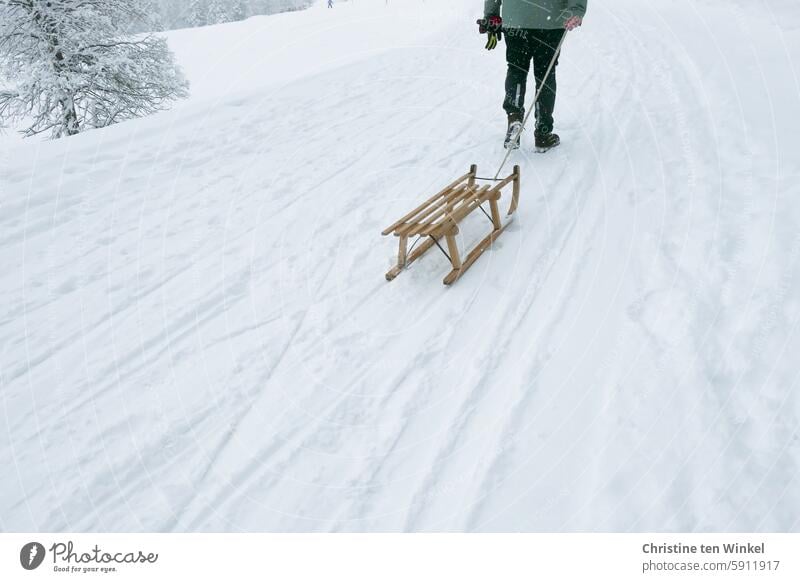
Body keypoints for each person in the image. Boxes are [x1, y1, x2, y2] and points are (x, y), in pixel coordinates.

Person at [481, 0, 587, 152]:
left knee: (516, 70)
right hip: (550, 20)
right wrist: (577, 10)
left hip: (515, 18)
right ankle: (543, 134)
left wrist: (491, 14)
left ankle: (514, 117)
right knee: (545, 75)